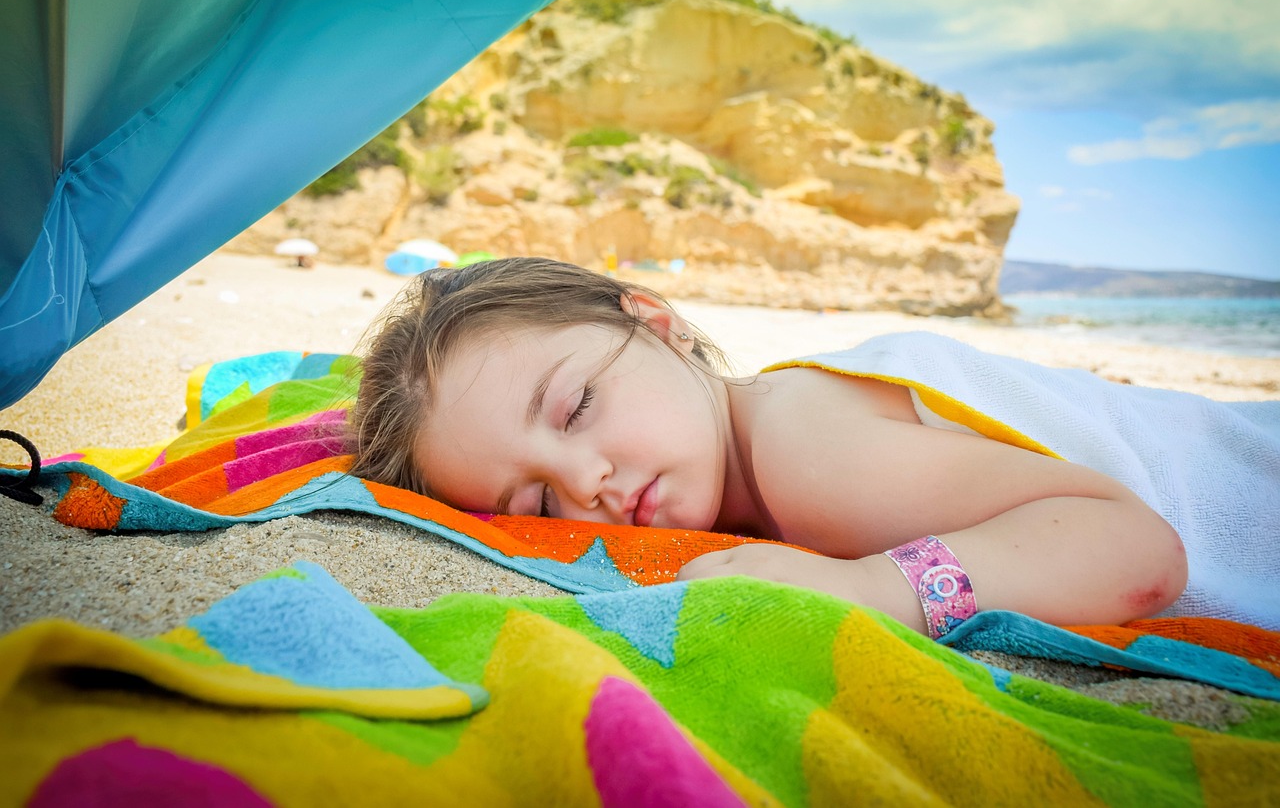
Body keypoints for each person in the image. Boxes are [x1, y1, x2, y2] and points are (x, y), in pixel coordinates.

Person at [349, 257, 1280, 637]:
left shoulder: (805, 451)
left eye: (578, 406)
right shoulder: (758, 446)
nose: (585, 482)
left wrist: (874, 586)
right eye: (534, 504)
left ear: (659, 324)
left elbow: (1135, 550)